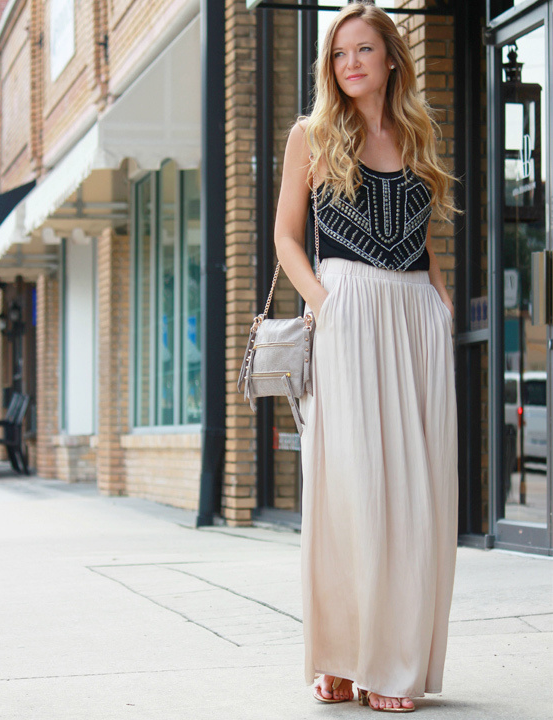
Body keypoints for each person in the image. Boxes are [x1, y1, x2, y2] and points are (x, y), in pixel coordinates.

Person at [273, 2, 459, 714]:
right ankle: (344, 659)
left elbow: (427, 240)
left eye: (364, 50)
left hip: (414, 317)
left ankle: (392, 661)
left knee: (415, 499)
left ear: (389, 59)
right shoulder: (311, 136)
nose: (351, 63)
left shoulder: (417, 136)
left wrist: (440, 303)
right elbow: (288, 237)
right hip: (347, 309)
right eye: (340, 53)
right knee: (351, 489)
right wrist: (326, 303)